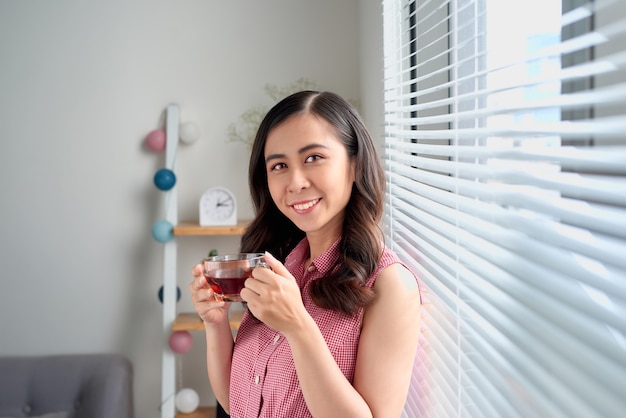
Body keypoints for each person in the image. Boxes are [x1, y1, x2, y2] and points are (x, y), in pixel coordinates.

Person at [189, 90, 422, 417]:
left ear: (355, 165)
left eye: (313, 158)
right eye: (279, 165)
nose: (295, 182)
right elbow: (238, 404)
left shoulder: (391, 285)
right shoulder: (278, 266)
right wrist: (215, 324)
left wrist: (298, 327)